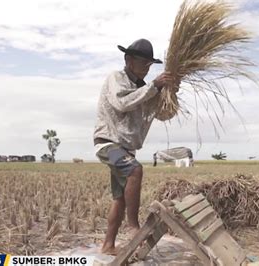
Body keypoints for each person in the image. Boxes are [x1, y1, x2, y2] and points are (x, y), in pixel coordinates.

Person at [93, 38, 177, 255]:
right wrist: (155, 86)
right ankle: (133, 226)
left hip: (126, 150)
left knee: (119, 199)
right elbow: (122, 103)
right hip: (108, 143)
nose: (147, 69)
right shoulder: (117, 78)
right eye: (143, 63)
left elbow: (164, 114)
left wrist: (170, 92)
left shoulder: (147, 89)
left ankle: (108, 245)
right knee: (135, 170)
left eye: (150, 65)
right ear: (128, 60)